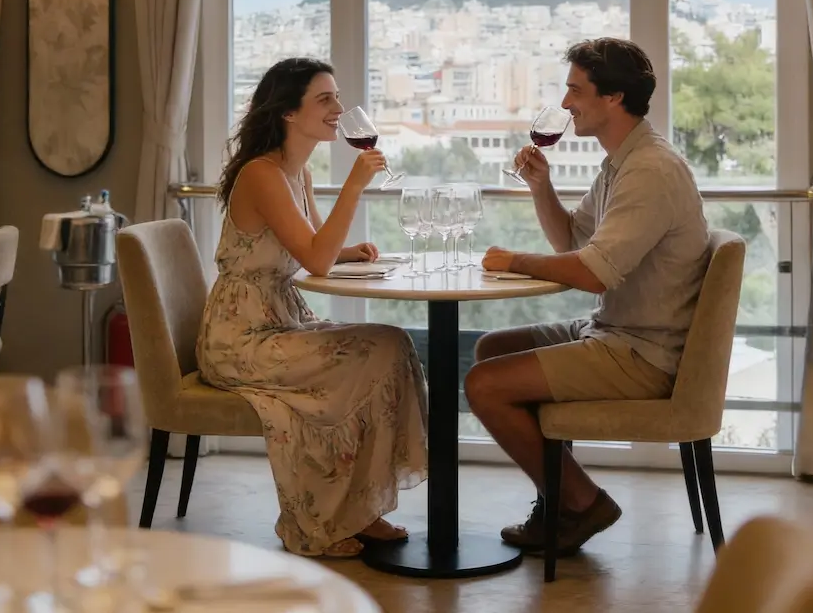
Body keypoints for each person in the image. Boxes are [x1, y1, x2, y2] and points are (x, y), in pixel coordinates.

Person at [465, 38, 711, 557]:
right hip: (616, 330)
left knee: (485, 385)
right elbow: (574, 243)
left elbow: (595, 273)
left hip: (642, 352)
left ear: (614, 97)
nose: (568, 103)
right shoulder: (621, 161)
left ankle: (580, 501)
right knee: (492, 350)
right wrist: (540, 188)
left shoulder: (649, 170)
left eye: (576, 91)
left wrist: (514, 261)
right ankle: (557, 500)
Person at [196, 57, 428, 559]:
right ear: (287, 112)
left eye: (338, 98)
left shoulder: (292, 171)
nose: (339, 110)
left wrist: (349, 251)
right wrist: (354, 185)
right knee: (381, 346)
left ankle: (359, 509)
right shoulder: (262, 174)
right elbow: (315, 258)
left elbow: (313, 251)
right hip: (242, 338)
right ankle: (330, 515)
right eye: (325, 100)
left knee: (390, 344)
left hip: (278, 319)